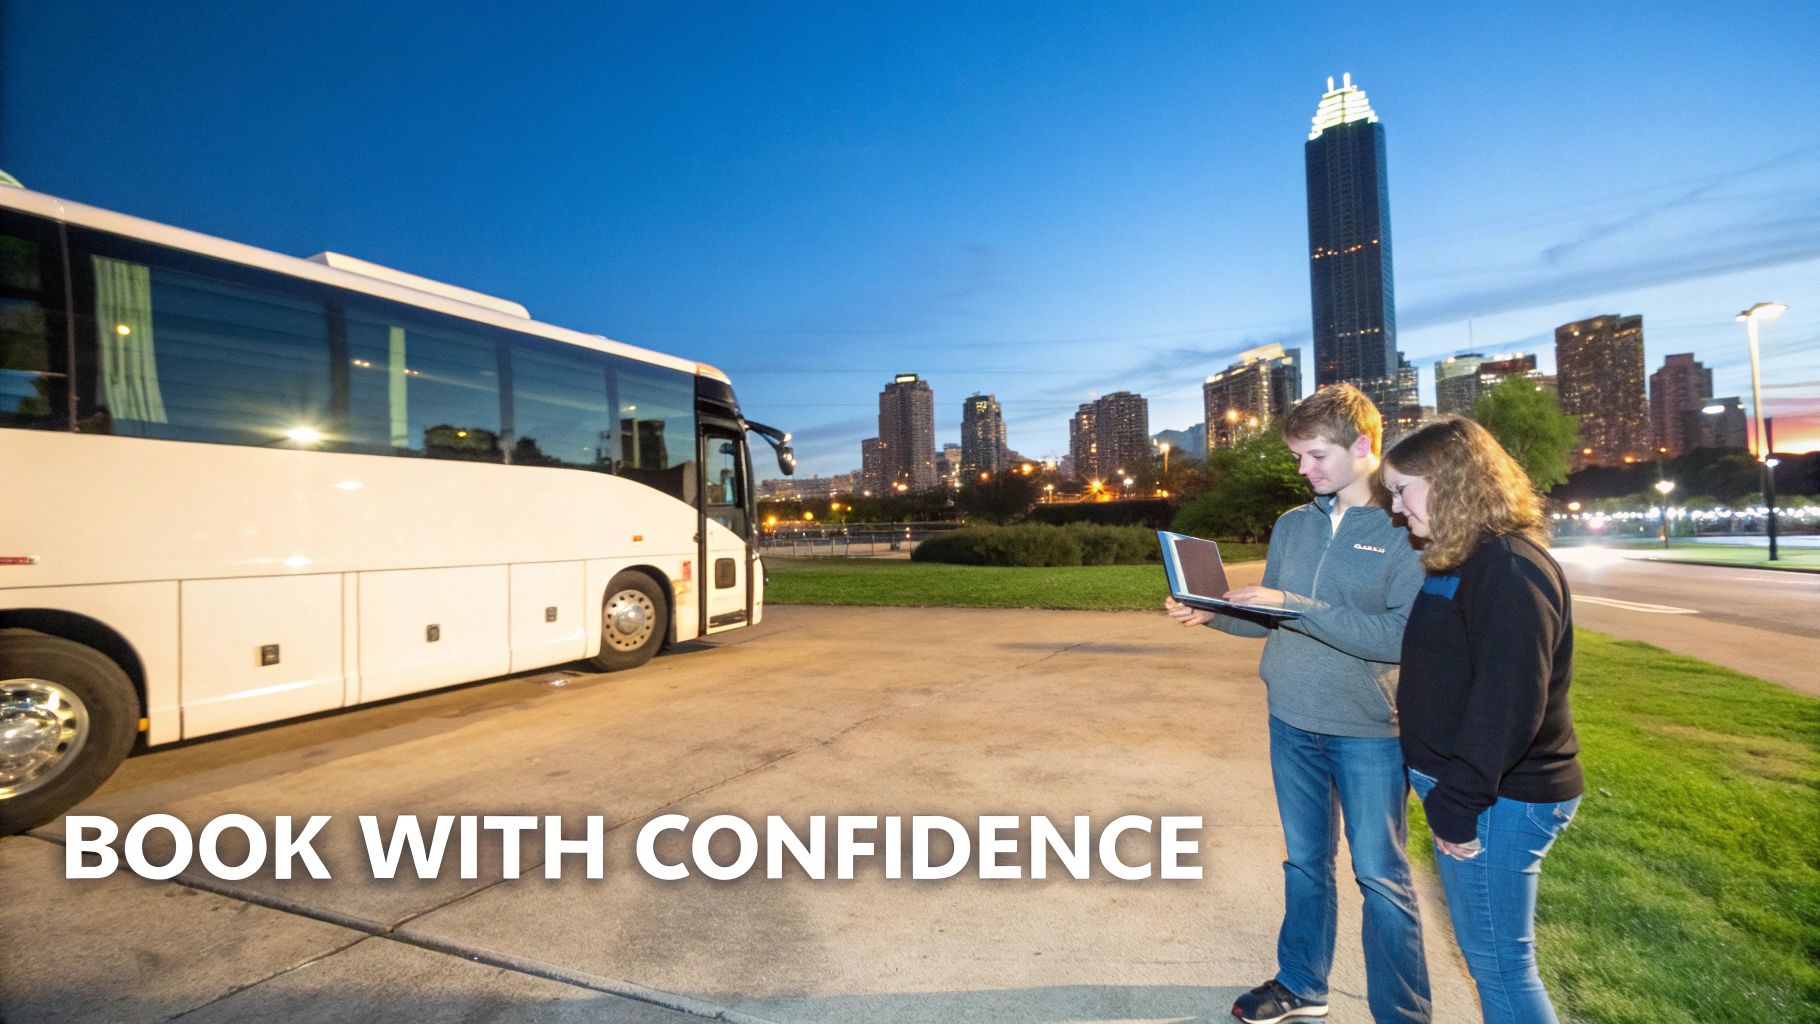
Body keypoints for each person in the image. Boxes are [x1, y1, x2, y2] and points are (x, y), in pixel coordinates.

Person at [1167, 384, 1430, 1024]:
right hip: (1291, 719)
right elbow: (1275, 623)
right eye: (1299, 459)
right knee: (1305, 864)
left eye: (1316, 456)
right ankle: (1301, 985)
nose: (1305, 471)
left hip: (1369, 728)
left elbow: (1400, 635)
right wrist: (1216, 615)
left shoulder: (1406, 529)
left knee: (1380, 877)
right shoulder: (1293, 525)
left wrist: (1294, 606)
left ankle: (1404, 1014)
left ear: (1363, 446)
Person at [1379, 417, 1583, 1024]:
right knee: (1494, 961)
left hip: (1499, 799)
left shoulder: (1510, 568)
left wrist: (1457, 802)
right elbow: (1462, 667)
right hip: (1480, 791)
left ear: (1448, 483)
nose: (1395, 508)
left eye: (1402, 489)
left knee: (1500, 968)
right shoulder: (1464, 559)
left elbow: (1511, 700)